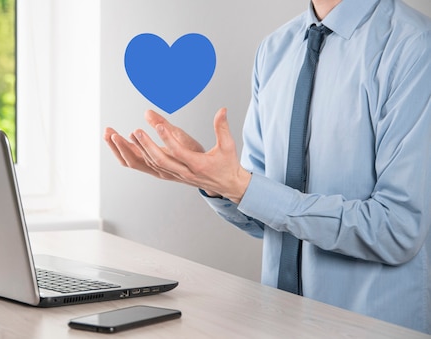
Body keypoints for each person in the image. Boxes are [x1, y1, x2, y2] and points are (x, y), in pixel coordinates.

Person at [104, 0, 431, 334]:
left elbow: (398, 230)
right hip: (277, 323)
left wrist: (243, 187)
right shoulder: (275, 50)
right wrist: (214, 182)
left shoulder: (415, 47)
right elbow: (268, 220)